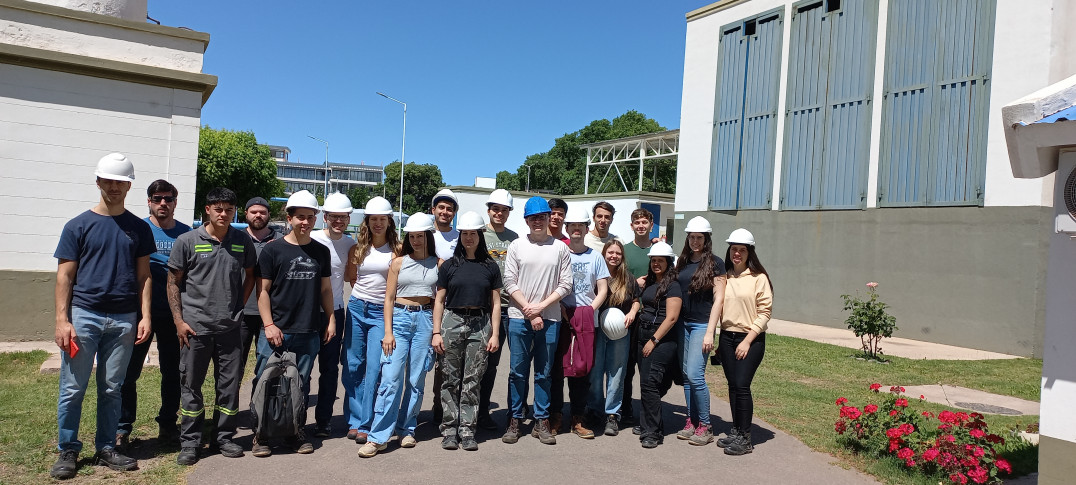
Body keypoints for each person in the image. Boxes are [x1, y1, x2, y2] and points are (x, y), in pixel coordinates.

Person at [52, 153, 153, 479]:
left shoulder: (138, 228)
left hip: (123, 319)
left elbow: (144, 276)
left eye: (120, 182)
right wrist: (62, 320)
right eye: (108, 180)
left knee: (112, 387)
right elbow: (64, 276)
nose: (114, 187)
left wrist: (145, 315)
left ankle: (107, 447)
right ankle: (68, 449)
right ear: (98, 182)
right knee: (73, 387)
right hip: (84, 317)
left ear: (129, 186)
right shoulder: (78, 225)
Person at [166, 187, 256, 465]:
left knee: (228, 387)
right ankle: (191, 443)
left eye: (229, 209)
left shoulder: (241, 241)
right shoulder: (188, 240)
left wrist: (237, 306)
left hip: (230, 330)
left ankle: (224, 438)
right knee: (191, 387)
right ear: (207, 210)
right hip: (195, 330)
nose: (224, 214)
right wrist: (179, 321)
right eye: (218, 208)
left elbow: (250, 275)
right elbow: (173, 282)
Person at [251, 190, 336, 457]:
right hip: (277, 330)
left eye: (310, 217)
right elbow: (262, 291)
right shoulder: (272, 250)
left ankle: (295, 432)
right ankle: (261, 435)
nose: (305, 222)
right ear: (289, 218)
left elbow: (325, 290)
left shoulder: (321, 252)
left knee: (301, 384)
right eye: (300, 217)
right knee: (265, 381)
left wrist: (331, 318)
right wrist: (268, 325)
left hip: (308, 330)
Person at [357, 213, 440, 458]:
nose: (415, 240)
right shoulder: (398, 262)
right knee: (390, 379)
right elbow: (389, 299)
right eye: (411, 236)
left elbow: (439, 301)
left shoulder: (439, 263)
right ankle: (378, 437)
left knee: (416, 380)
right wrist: (388, 332)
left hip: (424, 320)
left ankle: (407, 429)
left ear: (428, 236)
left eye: (420, 236)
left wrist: (436, 331)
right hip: (400, 320)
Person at [116, 179, 190, 451]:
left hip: (174, 315)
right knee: (128, 373)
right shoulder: (136, 228)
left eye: (168, 199)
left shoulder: (185, 234)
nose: (163, 203)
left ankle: (168, 425)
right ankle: (122, 428)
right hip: (140, 315)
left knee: (172, 373)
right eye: (157, 198)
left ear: (175, 202)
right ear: (148, 201)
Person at [501, 197, 572, 445]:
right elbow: (509, 282)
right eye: (533, 218)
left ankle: (541, 420)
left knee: (544, 373)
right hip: (519, 318)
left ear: (548, 218)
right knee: (517, 373)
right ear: (527, 221)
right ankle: (515, 419)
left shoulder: (560, 248)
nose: (538, 221)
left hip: (550, 318)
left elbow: (566, 284)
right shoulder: (517, 246)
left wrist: (540, 308)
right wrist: (530, 311)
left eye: (542, 217)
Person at [433, 211, 502, 451]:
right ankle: (450, 430)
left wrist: (494, 334)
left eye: (473, 233)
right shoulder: (450, 266)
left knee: (472, 380)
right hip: (452, 322)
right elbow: (439, 301)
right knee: (450, 379)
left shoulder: (490, 267)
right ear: (460, 235)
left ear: (480, 235)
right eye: (465, 233)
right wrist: (436, 332)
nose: (468, 238)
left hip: (480, 324)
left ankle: (468, 430)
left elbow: (495, 303)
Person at [342, 196, 400, 444]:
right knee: (353, 365)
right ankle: (354, 420)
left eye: (382, 219)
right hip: (356, 307)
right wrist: (362, 299)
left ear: (389, 221)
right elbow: (352, 278)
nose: (378, 223)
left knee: (374, 368)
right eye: (373, 219)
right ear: (367, 221)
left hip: (381, 312)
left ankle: (366, 422)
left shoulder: (398, 250)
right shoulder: (358, 248)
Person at [550, 207, 608, 438]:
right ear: (566, 228)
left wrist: (588, 311)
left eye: (580, 226)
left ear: (586, 229)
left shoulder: (595, 256)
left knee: (582, 372)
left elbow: (602, 289)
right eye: (572, 226)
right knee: (556, 371)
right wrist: (561, 307)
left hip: (586, 320)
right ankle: (555, 417)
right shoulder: (558, 253)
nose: (576, 229)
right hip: (560, 318)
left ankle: (577, 419)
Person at [715, 228, 772, 456]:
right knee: (732, 385)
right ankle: (737, 430)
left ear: (750, 252)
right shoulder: (725, 277)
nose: (737, 253)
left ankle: (746, 438)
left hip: (751, 338)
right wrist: (720, 339)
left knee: (742, 385)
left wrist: (747, 341)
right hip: (727, 336)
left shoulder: (759, 278)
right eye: (734, 249)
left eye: (742, 250)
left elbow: (765, 312)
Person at [674, 216, 726, 446]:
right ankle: (691, 420)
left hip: (701, 325)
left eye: (700, 237)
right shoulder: (683, 262)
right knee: (686, 376)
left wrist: (710, 331)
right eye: (692, 237)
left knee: (696, 375)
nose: (695, 241)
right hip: (683, 324)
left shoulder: (716, 263)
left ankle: (706, 425)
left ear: (707, 239)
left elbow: (719, 299)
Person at [309, 193, 357, 438]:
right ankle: (296, 418)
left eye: (343, 217)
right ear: (324, 217)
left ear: (348, 218)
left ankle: (323, 420)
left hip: (335, 312)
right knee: (303, 369)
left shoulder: (350, 244)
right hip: (306, 314)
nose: (338, 221)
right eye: (334, 216)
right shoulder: (311, 238)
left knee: (329, 369)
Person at [588, 239, 639, 436]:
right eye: (610, 252)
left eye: (618, 253)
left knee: (617, 373)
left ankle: (612, 415)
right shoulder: (596, 275)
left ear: (622, 256)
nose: (614, 256)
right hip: (598, 329)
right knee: (595, 371)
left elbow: (636, 300)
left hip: (620, 332)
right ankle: (594, 410)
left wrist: (633, 313)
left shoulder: (628, 278)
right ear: (604, 253)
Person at [635, 242, 683, 449]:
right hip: (642, 334)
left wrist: (653, 340)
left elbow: (671, 318)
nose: (656, 264)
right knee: (647, 383)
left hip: (660, 339)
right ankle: (647, 422)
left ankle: (653, 432)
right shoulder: (650, 283)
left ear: (668, 262)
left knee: (651, 383)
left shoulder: (673, 285)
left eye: (660, 261)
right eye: (653, 260)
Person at [477, 189, 517, 430]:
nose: (499, 213)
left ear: (509, 212)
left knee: (517, 365)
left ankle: (514, 414)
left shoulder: (516, 239)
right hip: (486, 309)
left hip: (512, 308)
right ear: (488, 210)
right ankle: (480, 413)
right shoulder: (479, 236)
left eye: (503, 210)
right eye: (495, 209)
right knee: (486, 364)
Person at [238, 197, 282, 394]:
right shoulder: (235, 239)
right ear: (246, 213)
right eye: (254, 212)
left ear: (268, 215)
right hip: (241, 312)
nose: (258, 215)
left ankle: (260, 410)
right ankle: (227, 413)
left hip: (271, 315)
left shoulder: (282, 240)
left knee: (266, 365)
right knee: (234, 365)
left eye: (262, 212)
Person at [619, 208, 653, 426]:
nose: (641, 226)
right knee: (626, 366)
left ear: (651, 225)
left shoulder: (659, 249)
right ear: (631, 226)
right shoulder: (624, 251)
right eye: (637, 223)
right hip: (628, 316)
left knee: (648, 369)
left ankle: (648, 414)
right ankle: (625, 408)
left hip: (650, 316)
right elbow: (617, 277)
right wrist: (635, 282)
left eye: (644, 222)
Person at [430, 188, 459, 260]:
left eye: (449, 209)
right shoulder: (423, 235)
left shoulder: (460, 238)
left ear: (454, 214)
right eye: (441, 207)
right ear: (433, 210)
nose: (445, 212)